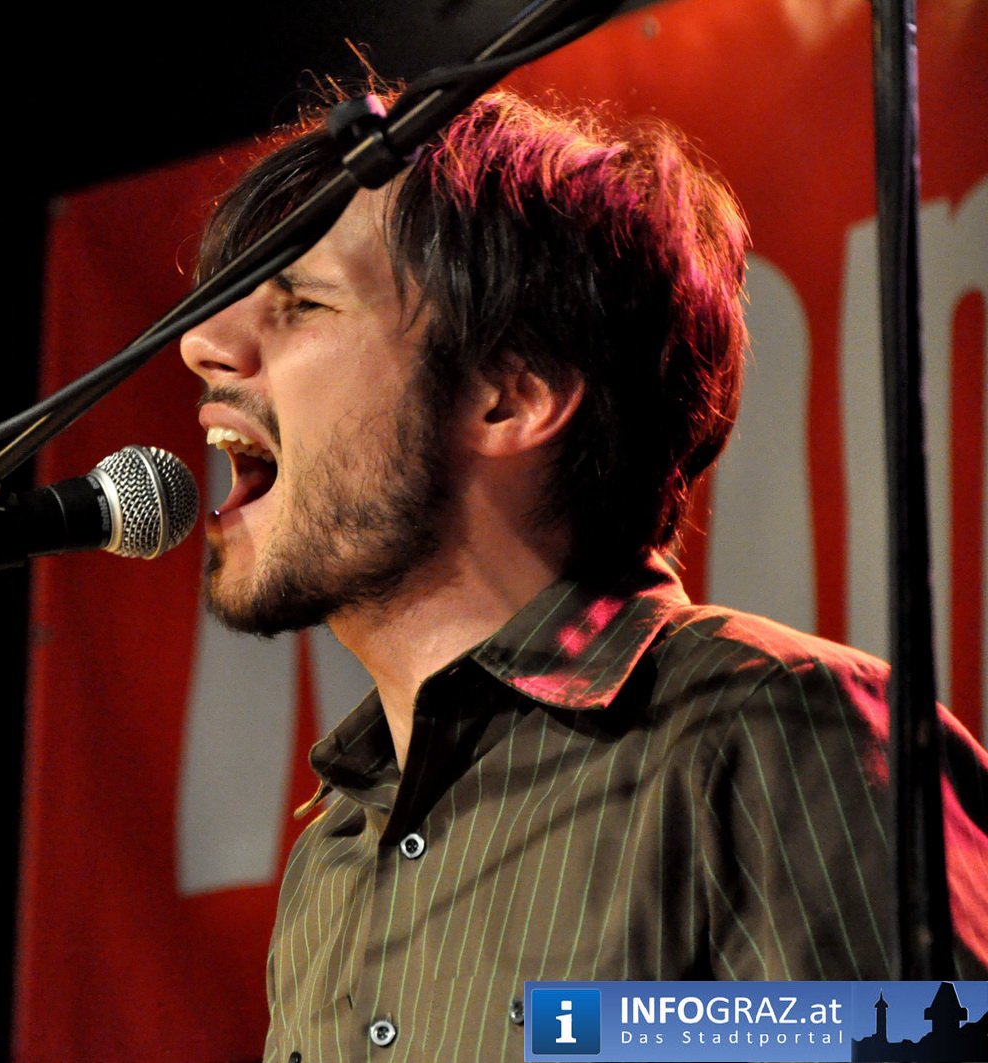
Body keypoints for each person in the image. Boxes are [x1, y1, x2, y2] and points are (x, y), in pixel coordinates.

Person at [178, 89, 988, 1062]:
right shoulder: (337, 846)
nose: (202, 345)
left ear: (511, 398)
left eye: (302, 302)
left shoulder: (774, 729)